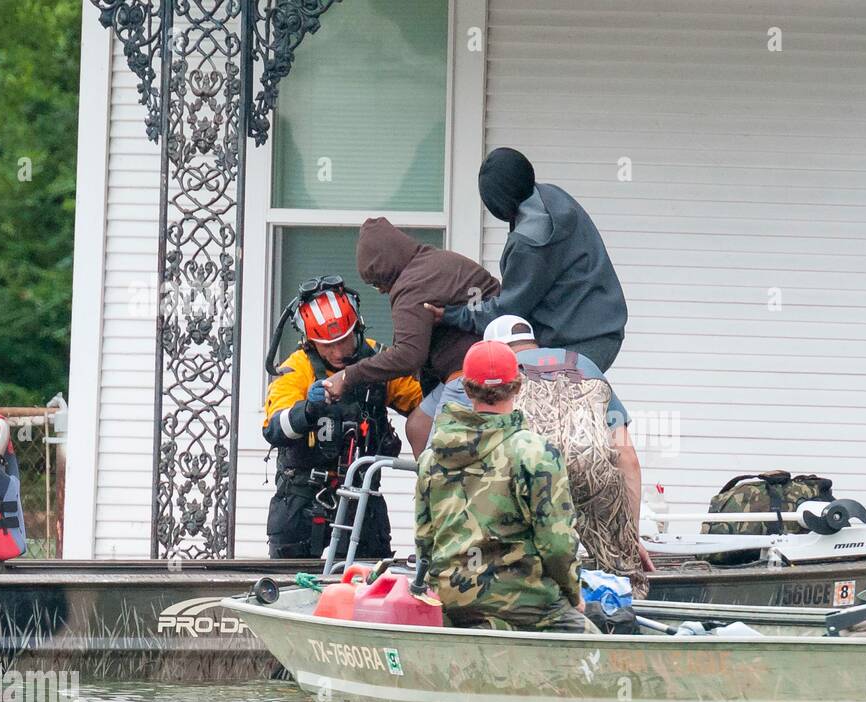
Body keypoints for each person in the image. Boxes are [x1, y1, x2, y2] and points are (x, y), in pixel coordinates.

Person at [420, 315, 652, 593]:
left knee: (535, 566)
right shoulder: (586, 366)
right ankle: (630, 611)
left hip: (535, 473)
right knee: (623, 579)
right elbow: (627, 456)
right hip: (594, 469)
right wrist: (628, 537)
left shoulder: (499, 376)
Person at [414, 340, 599, 633]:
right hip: (524, 600)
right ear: (518, 385)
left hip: (451, 598)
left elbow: (424, 540)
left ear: (466, 388)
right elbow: (556, 544)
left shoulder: (431, 457)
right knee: (596, 646)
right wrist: (573, 594)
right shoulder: (534, 452)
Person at [424, 147, 628, 372]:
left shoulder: (530, 242)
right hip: (603, 330)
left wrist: (451, 314)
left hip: (576, 343)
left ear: (498, 203)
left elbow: (507, 312)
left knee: (519, 386)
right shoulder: (552, 196)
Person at [263, 280, 421, 559]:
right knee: (289, 579)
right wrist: (307, 411)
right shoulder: (297, 368)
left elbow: (422, 404)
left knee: (368, 579)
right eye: (327, 345)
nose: (337, 352)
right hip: (302, 498)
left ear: (357, 327)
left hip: (363, 498)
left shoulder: (380, 362)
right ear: (311, 342)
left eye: (344, 340)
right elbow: (275, 429)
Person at [324, 217, 500, 455]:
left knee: (441, 461)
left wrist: (348, 376)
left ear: (385, 268)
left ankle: (437, 479)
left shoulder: (411, 286)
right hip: (500, 366)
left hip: (471, 378)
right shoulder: (439, 261)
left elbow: (408, 355)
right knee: (419, 426)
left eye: (376, 282)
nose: (381, 290)